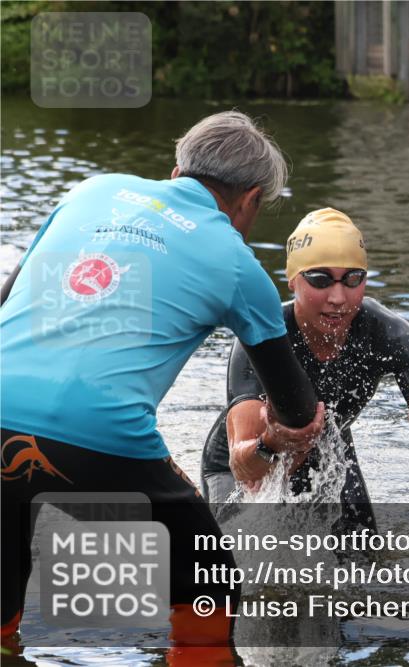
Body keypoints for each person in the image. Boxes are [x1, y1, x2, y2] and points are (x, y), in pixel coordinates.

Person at [1, 111, 324, 660]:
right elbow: (295, 406)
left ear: (177, 169)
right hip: (98, 436)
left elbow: (7, 303)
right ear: (250, 199)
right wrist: (294, 428)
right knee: (209, 575)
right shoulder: (237, 262)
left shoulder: (92, 191)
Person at [201, 208, 409, 548]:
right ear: (293, 280)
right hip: (244, 460)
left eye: (352, 279)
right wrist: (273, 442)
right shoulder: (264, 337)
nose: (338, 298)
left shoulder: (386, 333)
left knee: (362, 569)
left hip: (331, 449)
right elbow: (244, 469)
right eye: (320, 279)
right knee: (238, 567)